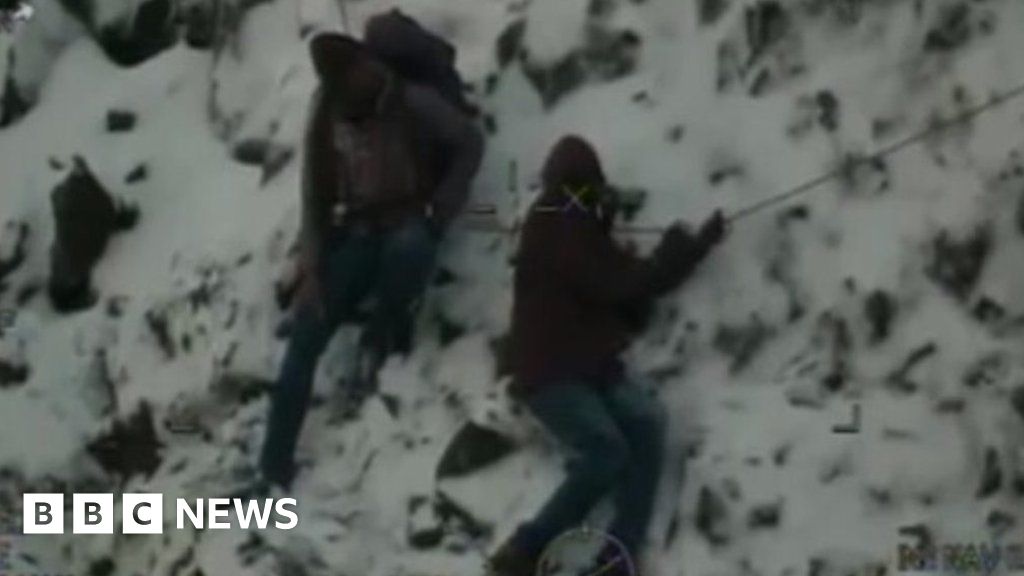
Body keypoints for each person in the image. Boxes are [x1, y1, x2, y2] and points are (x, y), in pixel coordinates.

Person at [489, 136, 727, 576]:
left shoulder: (579, 229)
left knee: (648, 426)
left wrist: (689, 250)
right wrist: (677, 252)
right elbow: (622, 283)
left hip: (587, 365)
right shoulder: (553, 220)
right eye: (583, 188)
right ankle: (524, 550)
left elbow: (629, 291)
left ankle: (618, 556)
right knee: (606, 450)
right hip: (551, 370)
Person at [259, 33, 484, 490]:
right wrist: (312, 267)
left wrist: (443, 207)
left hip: (409, 218)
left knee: (410, 251)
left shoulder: (410, 101)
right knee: (305, 335)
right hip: (355, 230)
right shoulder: (325, 114)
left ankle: (384, 337)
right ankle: (272, 469)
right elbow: (315, 195)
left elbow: (468, 142)